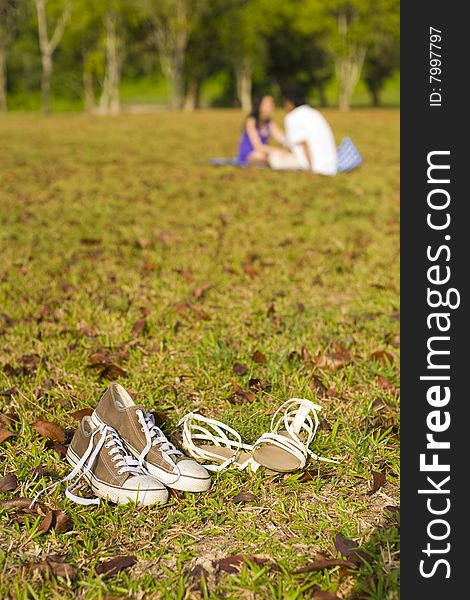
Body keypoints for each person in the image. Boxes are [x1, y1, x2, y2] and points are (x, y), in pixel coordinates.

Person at [268, 88, 338, 176]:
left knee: (273, 158)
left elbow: (304, 143)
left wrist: (311, 169)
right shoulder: (315, 113)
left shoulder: (292, 117)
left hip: (315, 166)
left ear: (290, 103)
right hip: (332, 165)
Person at [237, 94, 287, 166]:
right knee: (260, 156)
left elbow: (280, 137)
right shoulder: (251, 121)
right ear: (259, 105)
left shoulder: (269, 122)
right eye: (268, 104)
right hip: (251, 155)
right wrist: (279, 151)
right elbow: (258, 146)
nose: (272, 106)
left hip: (263, 152)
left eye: (272, 103)